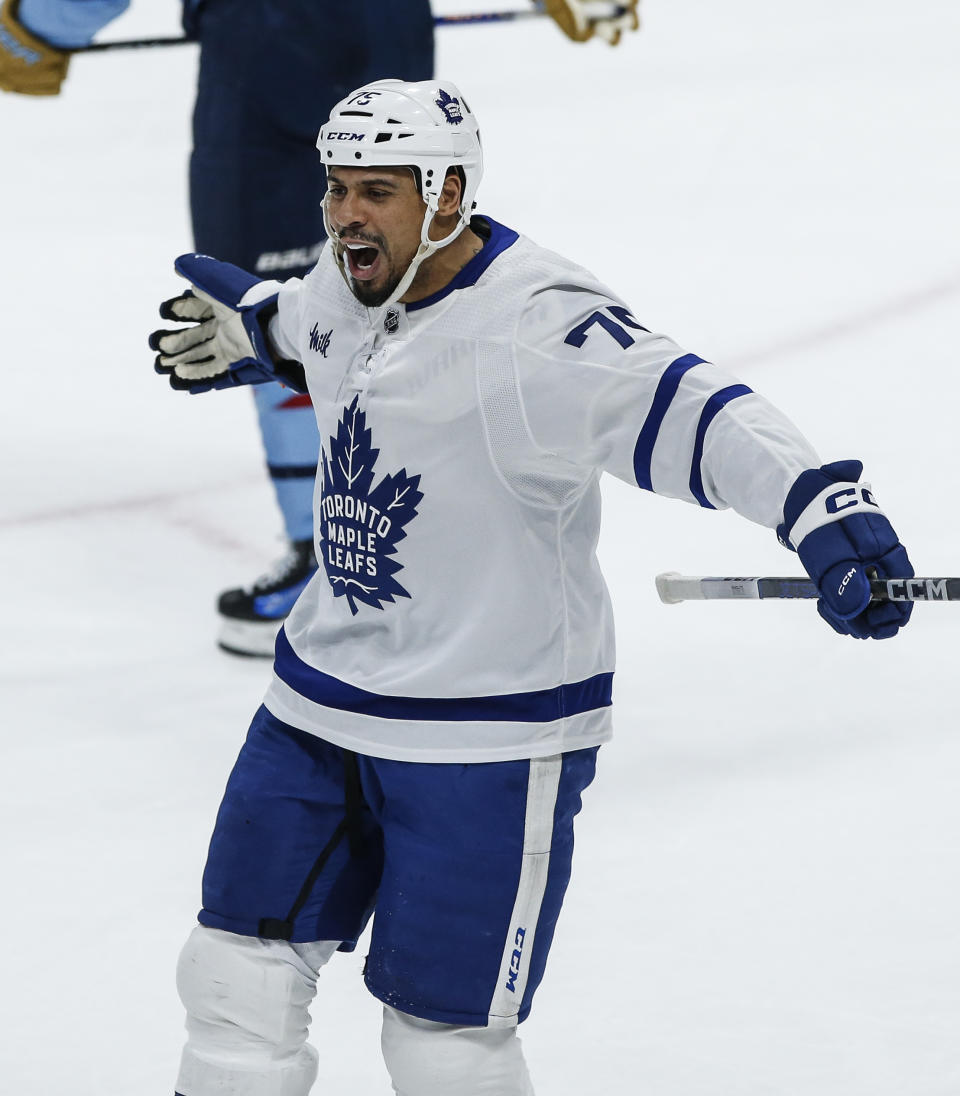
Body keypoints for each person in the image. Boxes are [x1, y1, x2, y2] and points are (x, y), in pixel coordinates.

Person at [148, 78, 913, 1095]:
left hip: (486, 734)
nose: (345, 217)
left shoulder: (542, 327)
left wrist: (818, 505)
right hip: (319, 703)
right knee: (233, 980)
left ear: (450, 195)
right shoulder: (348, 283)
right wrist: (253, 331)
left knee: (442, 1039)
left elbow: (695, 407)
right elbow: (305, 322)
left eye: (377, 190)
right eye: (336, 189)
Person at [1, 0, 639, 657]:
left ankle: (335, 561)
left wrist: (35, 29)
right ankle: (409, 559)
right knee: (395, 287)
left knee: (282, 310)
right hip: (388, 52)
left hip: (269, 58)